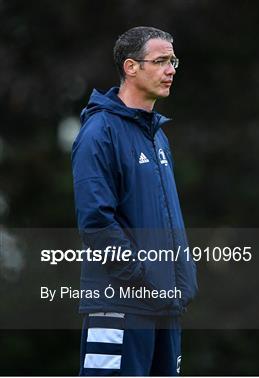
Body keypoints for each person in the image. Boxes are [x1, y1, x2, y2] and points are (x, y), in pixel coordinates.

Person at [72, 26, 197, 376]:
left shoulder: (158, 137)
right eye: (160, 61)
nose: (170, 70)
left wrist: (182, 278)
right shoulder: (99, 133)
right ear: (131, 67)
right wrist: (142, 278)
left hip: (164, 306)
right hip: (120, 304)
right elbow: (96, 222)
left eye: (173, 61)